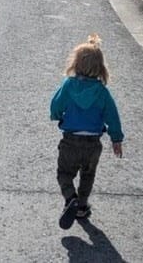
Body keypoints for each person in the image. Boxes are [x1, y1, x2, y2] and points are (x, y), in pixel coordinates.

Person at [50, 33, 124, 229]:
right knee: (87, 175)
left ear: (75, 64)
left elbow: (56, 105)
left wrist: (58, 116)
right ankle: (82, 206)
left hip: (70, 140)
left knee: (64, 173)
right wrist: (116, 138)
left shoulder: (68, 85)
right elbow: (112, 116)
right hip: (93, 143)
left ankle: (70, 197)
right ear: (100, 68)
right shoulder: (102, 91)